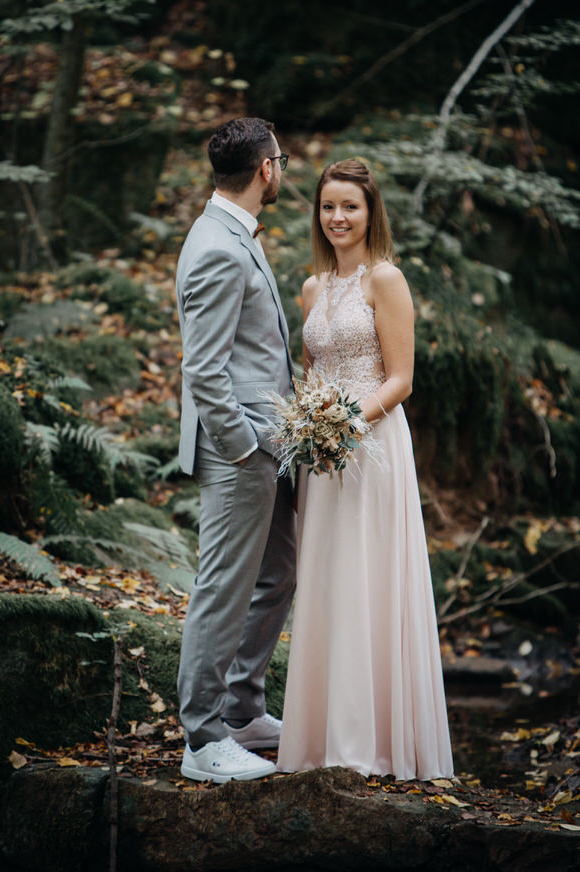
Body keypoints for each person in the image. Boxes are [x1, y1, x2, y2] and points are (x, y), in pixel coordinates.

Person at [277, 159, 453, 780]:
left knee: (367, 577)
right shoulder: (311, 288)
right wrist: (311, 425)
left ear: (370, 211)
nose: (337, 218)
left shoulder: (387, 279)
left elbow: (402, 379)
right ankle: (322, 739)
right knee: (325, 580)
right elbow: (310, 373)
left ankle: (372, 744)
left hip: (372, 446)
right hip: (321, 459)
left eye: (349, 206)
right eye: (328, 207)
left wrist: (347, 424)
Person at [175, 117, 296, 783]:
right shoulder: (217, 246)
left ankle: (242, 708)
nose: (282, 167)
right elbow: (204, 370)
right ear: (265, 170)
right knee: (223, 586)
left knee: (279, 573)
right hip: (239, 451)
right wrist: (247, 449)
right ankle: (201, 740)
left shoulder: (232, 231)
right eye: (280, 159)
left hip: (269, 445)